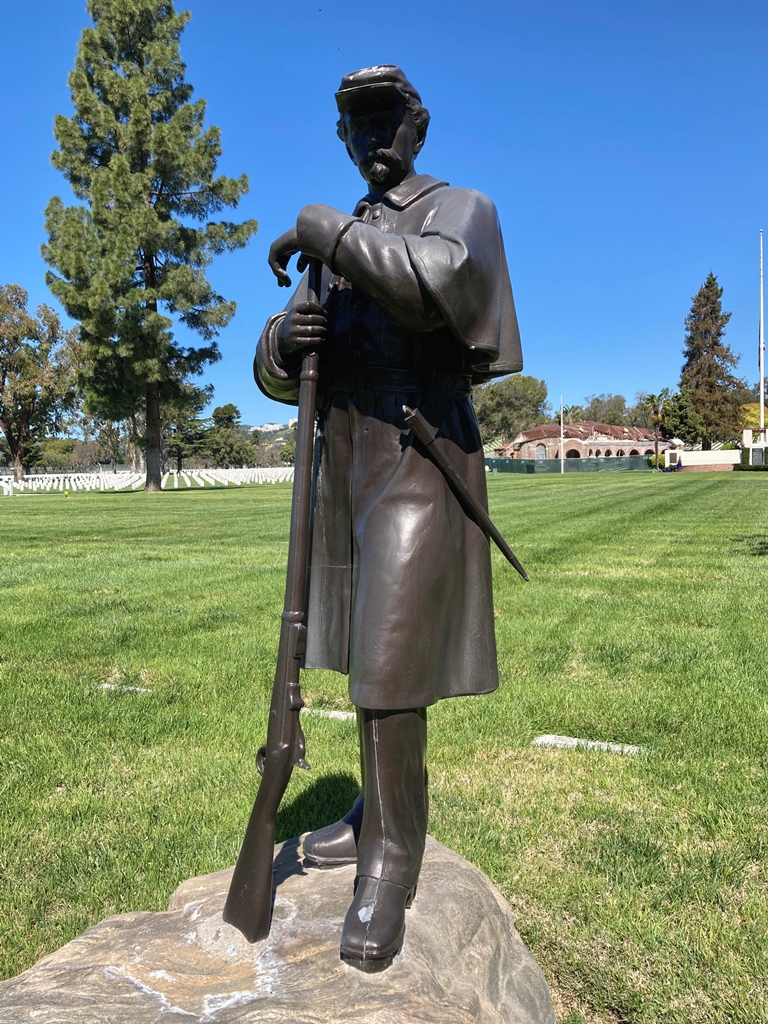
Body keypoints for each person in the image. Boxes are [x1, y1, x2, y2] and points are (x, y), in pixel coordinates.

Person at [254, 65, 522, 972]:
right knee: (371, 655)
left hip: (418, 455)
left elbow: (431, 283)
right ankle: (377, 811)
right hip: (345, 470)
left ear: (419, 126)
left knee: (393, 662)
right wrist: (282, 342)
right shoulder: (344, 236)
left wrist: (322, 228)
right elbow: (277, 360)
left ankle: (394, 855)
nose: (372, 137)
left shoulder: (460, 210)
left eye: (386, 120)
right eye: (356, 125)